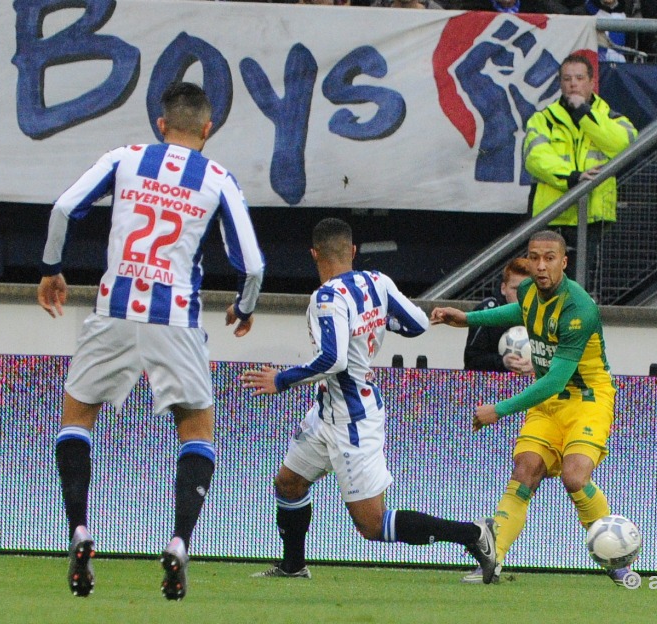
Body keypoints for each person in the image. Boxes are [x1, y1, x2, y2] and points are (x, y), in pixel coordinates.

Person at [37, 82, 265, 601]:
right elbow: (252, 263)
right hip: (176, 318)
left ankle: (79, 530)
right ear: (207, 130)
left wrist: (51, 269)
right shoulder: (216, 177)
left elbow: (62, 208)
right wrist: (246, 306)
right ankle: (181, 540)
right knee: (196, 429)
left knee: (78, 417)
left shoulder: (126, 158)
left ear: (160, 125)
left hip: (113, 308)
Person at [241, 218, 497, 584]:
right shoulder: (377, 281)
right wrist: (376, 321)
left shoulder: (325, 298)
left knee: (372, 525)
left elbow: (334, 360)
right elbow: (417, 324)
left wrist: (279, 380)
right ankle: (293, 566)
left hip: (353, 421)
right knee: (289, 483)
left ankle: (474, 534)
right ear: (353, 251)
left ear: (313, 254)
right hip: (328, 411)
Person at [431, 230, 631, 586]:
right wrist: (466, 318)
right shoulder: (527, 291)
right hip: (547, 403)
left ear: (564, 262)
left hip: (587, 400)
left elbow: (555, 381)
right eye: (534, 257)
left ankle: (617, 559)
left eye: (549, 258)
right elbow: (520, 310)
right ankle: (492, 560)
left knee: (574, 477)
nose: (541, 266)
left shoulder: (578, 308)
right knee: (525, 470)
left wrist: (499, 409)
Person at [523, 54, 637, 300]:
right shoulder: (543, 119)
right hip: (552, 215)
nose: (573, 84)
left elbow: (624, 145)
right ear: (560, 84)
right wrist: (573, 178)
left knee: (582, 292)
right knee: (546, 288)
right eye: (567, 78)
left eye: (579, 78)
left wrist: (584, 114)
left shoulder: (611, 117)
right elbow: (535, 158)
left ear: (591, 82)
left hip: (593, 217)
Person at [464, 258, 534, 375]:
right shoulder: (487, 311)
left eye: (527, 290)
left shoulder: (546, 314)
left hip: (534, 387)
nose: (522, 295)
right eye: (516, 289)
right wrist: (502, 362)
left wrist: (540, 366)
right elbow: (471, 362)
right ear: (503, 288)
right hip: (491, 387)